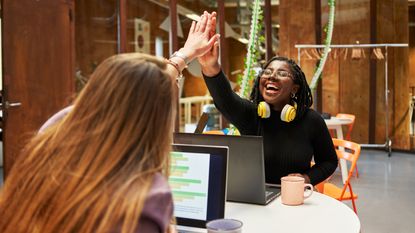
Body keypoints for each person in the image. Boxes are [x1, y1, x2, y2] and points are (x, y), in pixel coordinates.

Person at [0, 12, 219, 233]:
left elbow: (130, 95)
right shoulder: (144, 200)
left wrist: (182, 57)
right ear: (156, 121)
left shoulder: (52, 135)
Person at [197, 13, 338, 186]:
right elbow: (225, 99)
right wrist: (210, 66)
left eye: (282, 73)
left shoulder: (311, 121)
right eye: (268, 72)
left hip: (293, 197)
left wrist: (306, 178)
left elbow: (329, 161)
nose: (272, 76)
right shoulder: (251, 115)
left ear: (295, 88)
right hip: (255, 198)